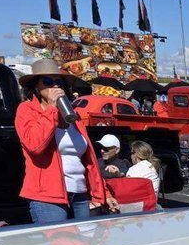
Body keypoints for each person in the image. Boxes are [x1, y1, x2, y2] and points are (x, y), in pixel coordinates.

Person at [15, 59, 117, 223]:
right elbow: (34, 145)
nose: (55, 86)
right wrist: (51, 110)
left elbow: (88, 159)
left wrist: (104, 192)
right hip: (48, 196)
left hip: (80, 193)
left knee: (85, 244)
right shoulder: (27, 110)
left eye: (59, 82)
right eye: (47, 82)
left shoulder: (73, 114)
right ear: (35, 86)